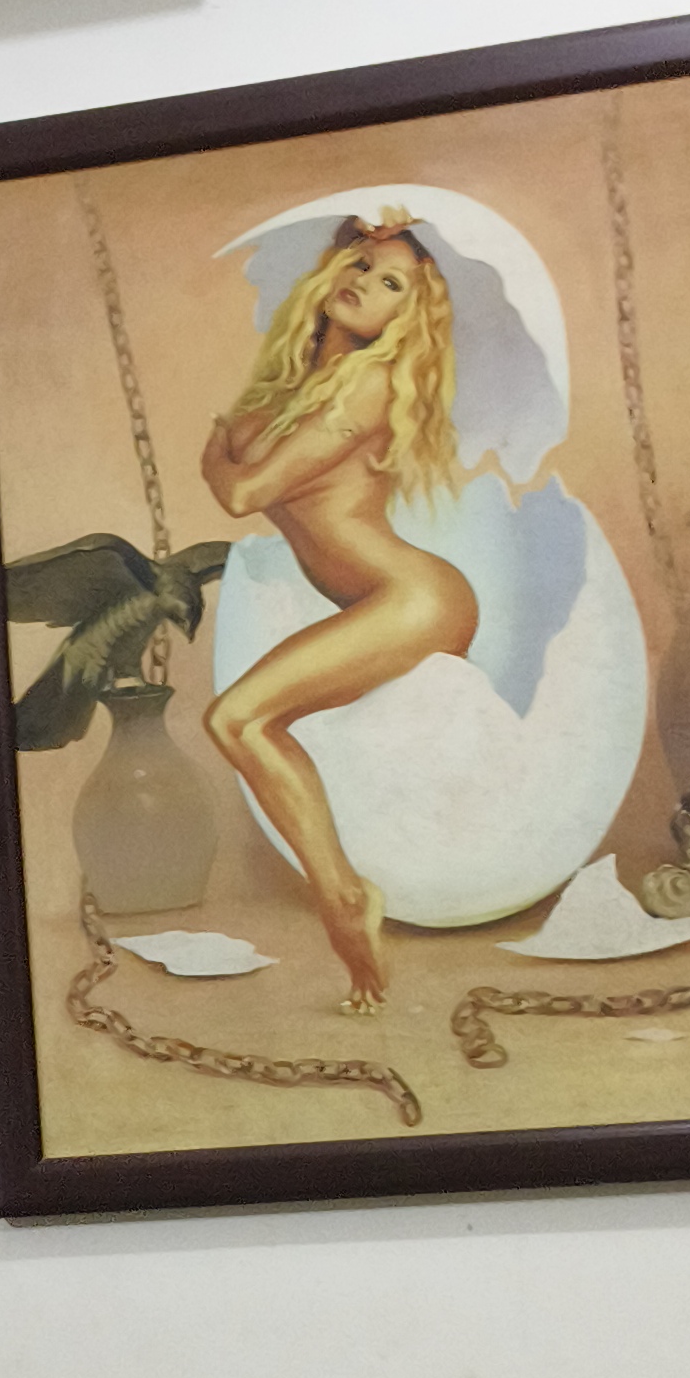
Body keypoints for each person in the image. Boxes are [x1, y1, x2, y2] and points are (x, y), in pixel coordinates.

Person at [201, 215, 471, 1010]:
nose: (364, 283)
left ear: (406, 319)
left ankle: (342, 896)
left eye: (392, 284)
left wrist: (218, 445)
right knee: (244, 723)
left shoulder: (368, 383)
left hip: (416, 599)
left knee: (238, 720)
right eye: (361, 263)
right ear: (331, 269)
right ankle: (345, 893)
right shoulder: (292, 391)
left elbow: (244, 492)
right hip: (390, 600)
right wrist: (229, 443)